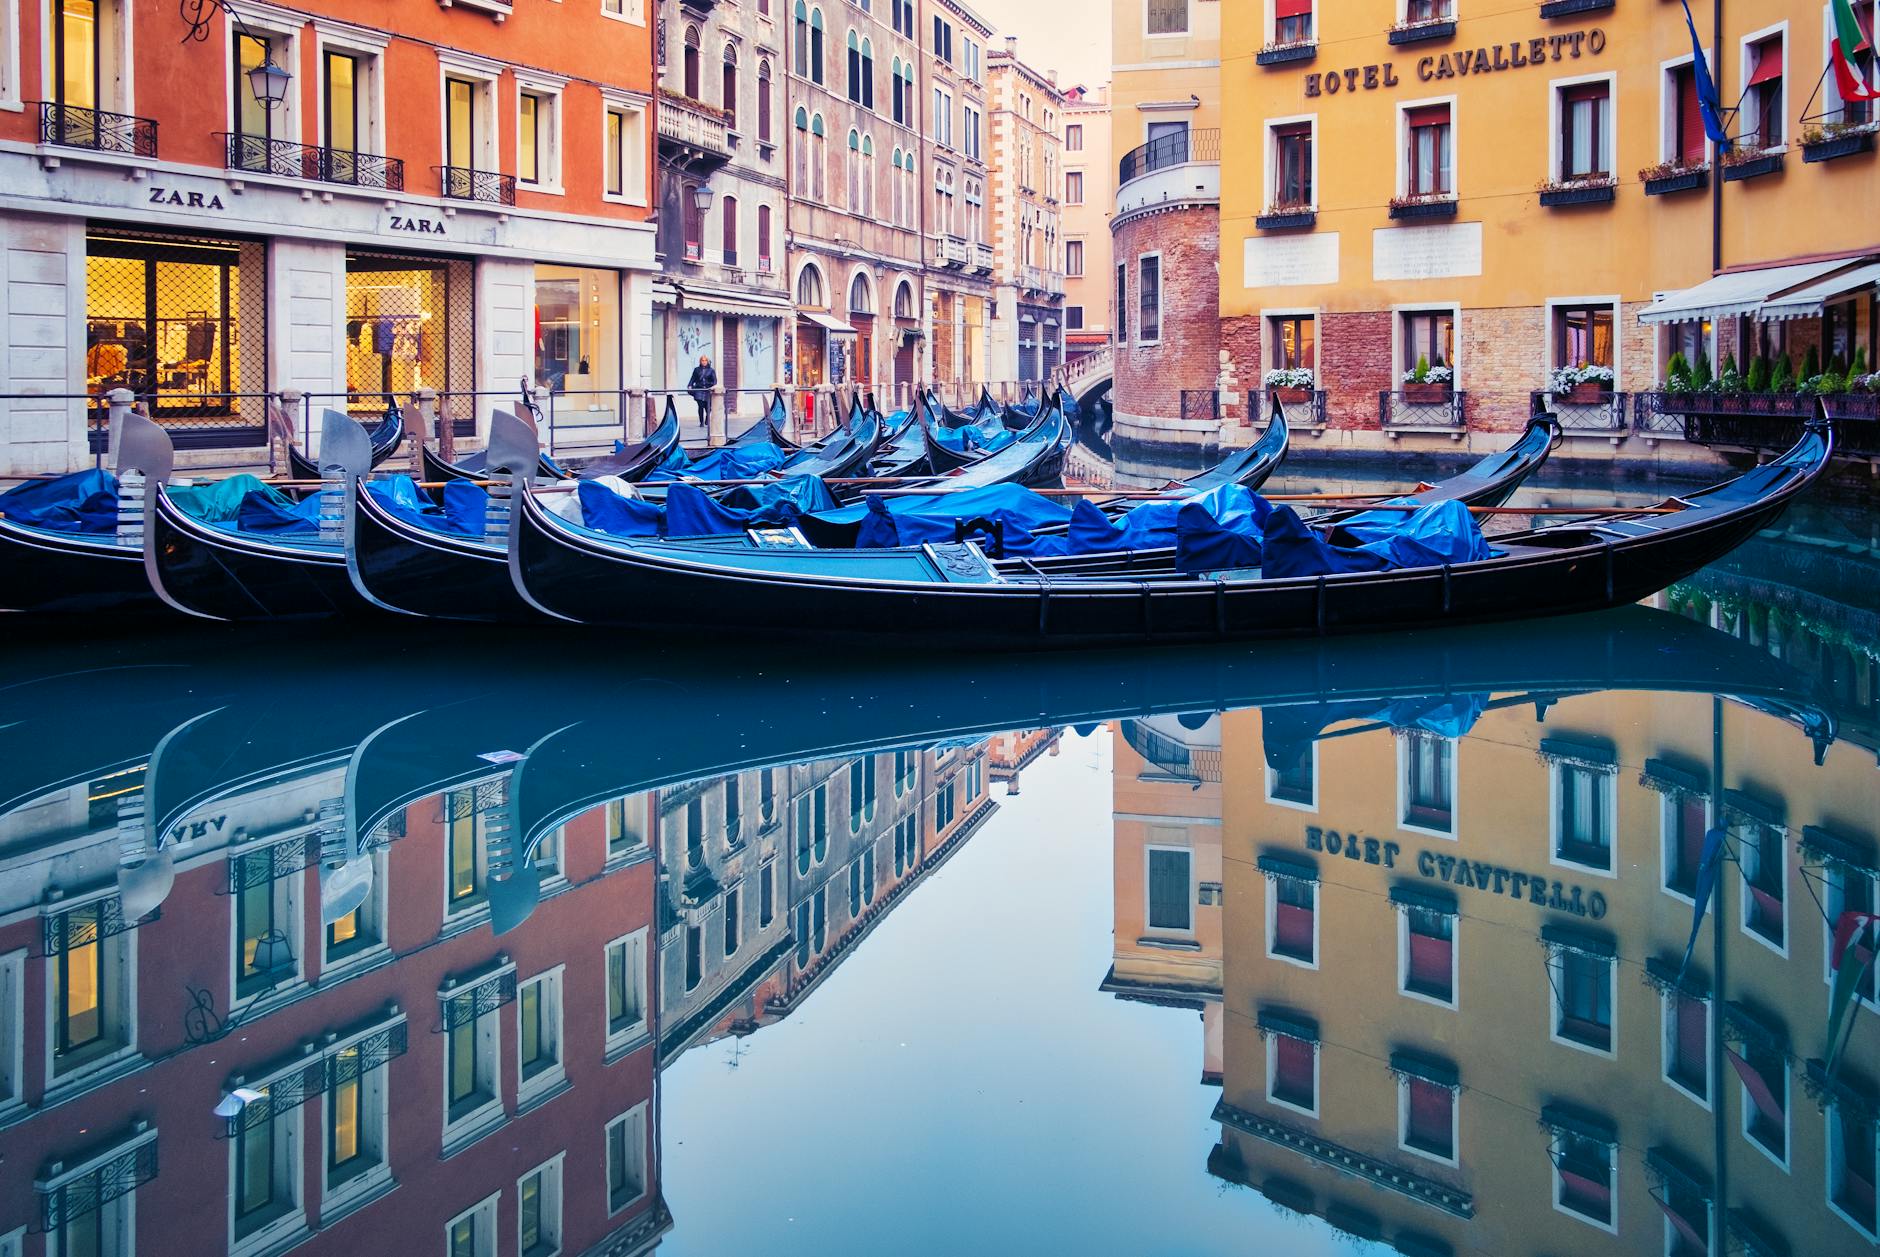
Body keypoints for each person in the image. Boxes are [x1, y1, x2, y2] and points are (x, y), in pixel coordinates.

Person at [687, 355, 717, 426]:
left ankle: (707, 419)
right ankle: (701, 422)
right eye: (702, 360)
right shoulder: (696, 369)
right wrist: (689, 385)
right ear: (700, 361)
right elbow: (692, 379)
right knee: (700, 406)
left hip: (708, 390)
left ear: (707, 361)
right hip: (699, 390)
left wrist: (711, 385)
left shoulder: (711, 370)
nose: (704, 362)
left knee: (708, 407)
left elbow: (715, 381)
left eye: (705, 360)